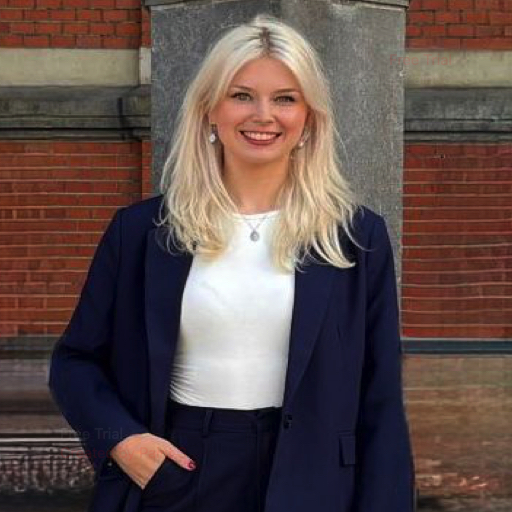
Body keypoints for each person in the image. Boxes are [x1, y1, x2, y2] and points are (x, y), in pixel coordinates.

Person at [48, 12, 416, 512]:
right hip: (179, 470)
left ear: (309, 118)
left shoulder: (355, 236)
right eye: (242, 95)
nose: (263, 115)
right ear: (209, 111)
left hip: (313, 481)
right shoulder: (140, 232)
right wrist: (121, 440)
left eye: (285, 98)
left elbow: (381, 397)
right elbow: (74, 362)